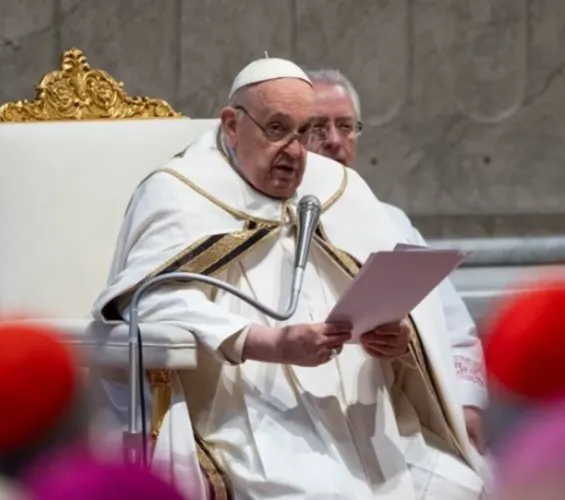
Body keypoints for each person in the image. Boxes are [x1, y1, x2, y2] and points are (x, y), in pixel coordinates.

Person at [93, 57, 488, 500]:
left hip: (364, 423)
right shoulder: (179, 192)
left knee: (464, 486)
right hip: (247, 418)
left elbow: (406, 314)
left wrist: (394, 344)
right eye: (277, 129)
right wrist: (269, 343)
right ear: (231, 125)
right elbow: (149, 301)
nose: (297, 151)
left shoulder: (339, 189)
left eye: (305, 131)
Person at [304, 68, 489, 452]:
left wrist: (466, 403)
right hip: (306, 418)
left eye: (346, 126)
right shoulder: (265, 223)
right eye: (317, 127)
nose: (335, 140)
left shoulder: (391, 221)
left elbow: (453, 329)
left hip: (396, 411)